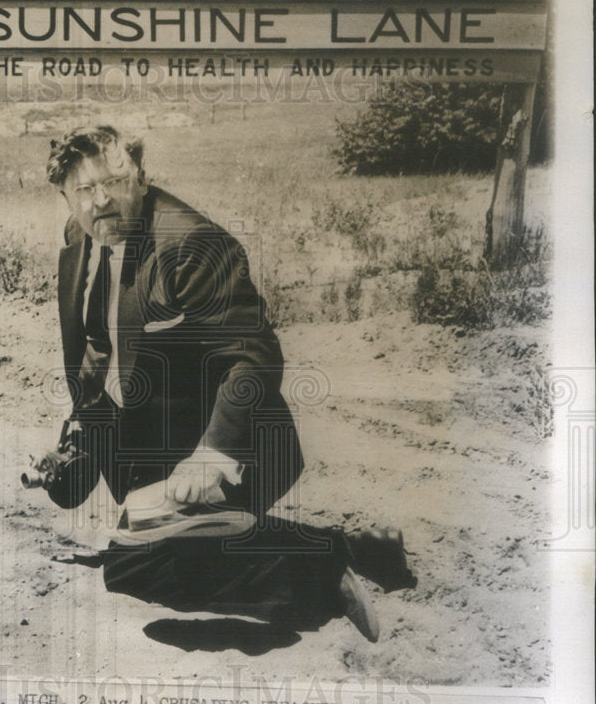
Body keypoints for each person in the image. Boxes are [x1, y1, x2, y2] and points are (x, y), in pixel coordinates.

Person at [35, 125, 412, 642]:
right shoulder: (80, 239)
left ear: (141, 178)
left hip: (233, 448)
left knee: (132, 567)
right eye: (84, 190)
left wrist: (213, 454)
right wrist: (76, 439)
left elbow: (253, 356)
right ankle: (355, 549)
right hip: (157, 451)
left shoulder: (191, 243)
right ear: (65, 197)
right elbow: (97, 351)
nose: (101, 201)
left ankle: (324, 567)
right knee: (152, 549)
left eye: (115, 182)